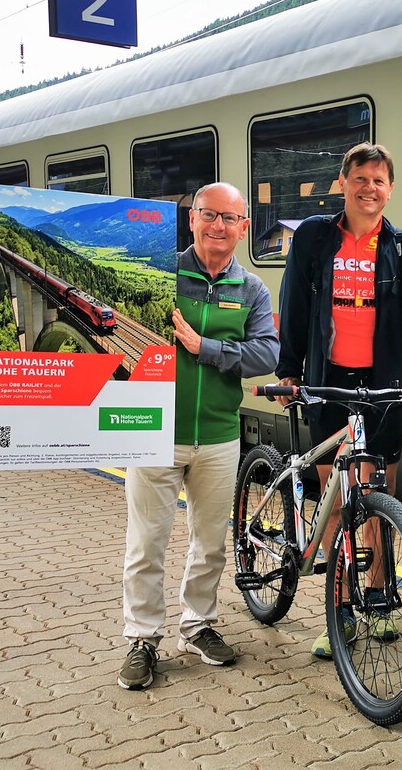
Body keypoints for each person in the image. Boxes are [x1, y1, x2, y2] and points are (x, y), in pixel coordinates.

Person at [275, 141, 402, 658]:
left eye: (379, 181)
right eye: (360, 178)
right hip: (328, 381)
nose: (369, 188)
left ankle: (377, 595)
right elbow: (294, 302)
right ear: (343, 182)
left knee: (377, 498)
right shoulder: (313, 237)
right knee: (334, 498)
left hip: (384, 386)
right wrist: (289, 370)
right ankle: (342, 611)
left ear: (390, 189)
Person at [119, 182, 278, 691]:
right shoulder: (162, 274)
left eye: (230, 219)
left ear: (244, 228)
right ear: (191, 219)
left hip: (217, 435)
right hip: (153, 432)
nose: (218, 226)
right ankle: (142, 637)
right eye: (209, 215)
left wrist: (203, 346)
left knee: (210, 544)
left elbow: (266, 356)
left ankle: (197, 625)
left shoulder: (251, 289)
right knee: (147, 543)